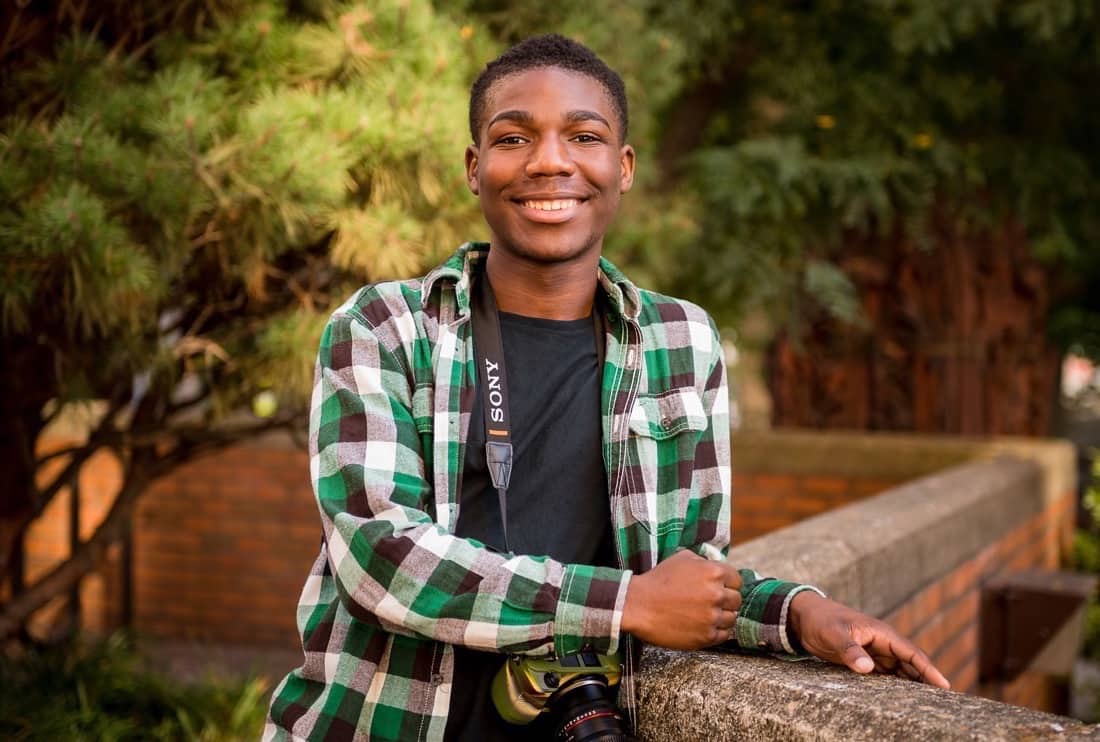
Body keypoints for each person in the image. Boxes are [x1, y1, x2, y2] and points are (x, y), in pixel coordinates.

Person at [264, 34, 949, 742]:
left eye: (584, 136)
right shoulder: (385, 327)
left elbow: (684, 582)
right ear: (476, 168)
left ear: (623, 168)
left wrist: (799, 614)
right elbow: (382, 559)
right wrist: (620, 604)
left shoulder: (681, 341)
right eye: (514, 137)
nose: (550, 160)